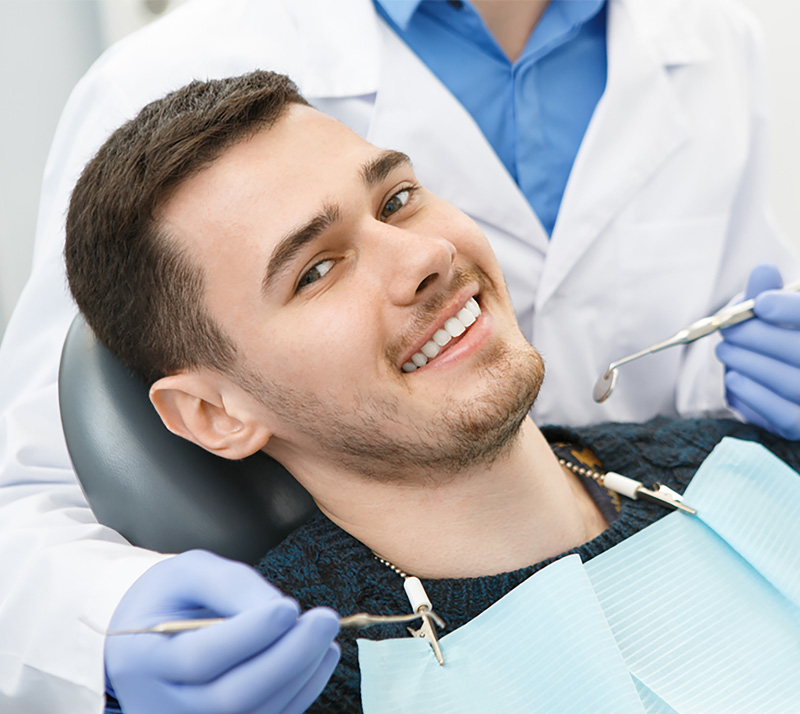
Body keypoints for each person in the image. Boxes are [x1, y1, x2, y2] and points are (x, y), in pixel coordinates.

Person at [2, 0, 800, 710]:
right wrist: (113, 627)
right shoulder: (170, 65)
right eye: (315, 270)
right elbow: (34, 483)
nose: (421, 259)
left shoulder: (747, 479)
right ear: (213, 413)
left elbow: (705, 335)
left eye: (398, 200)